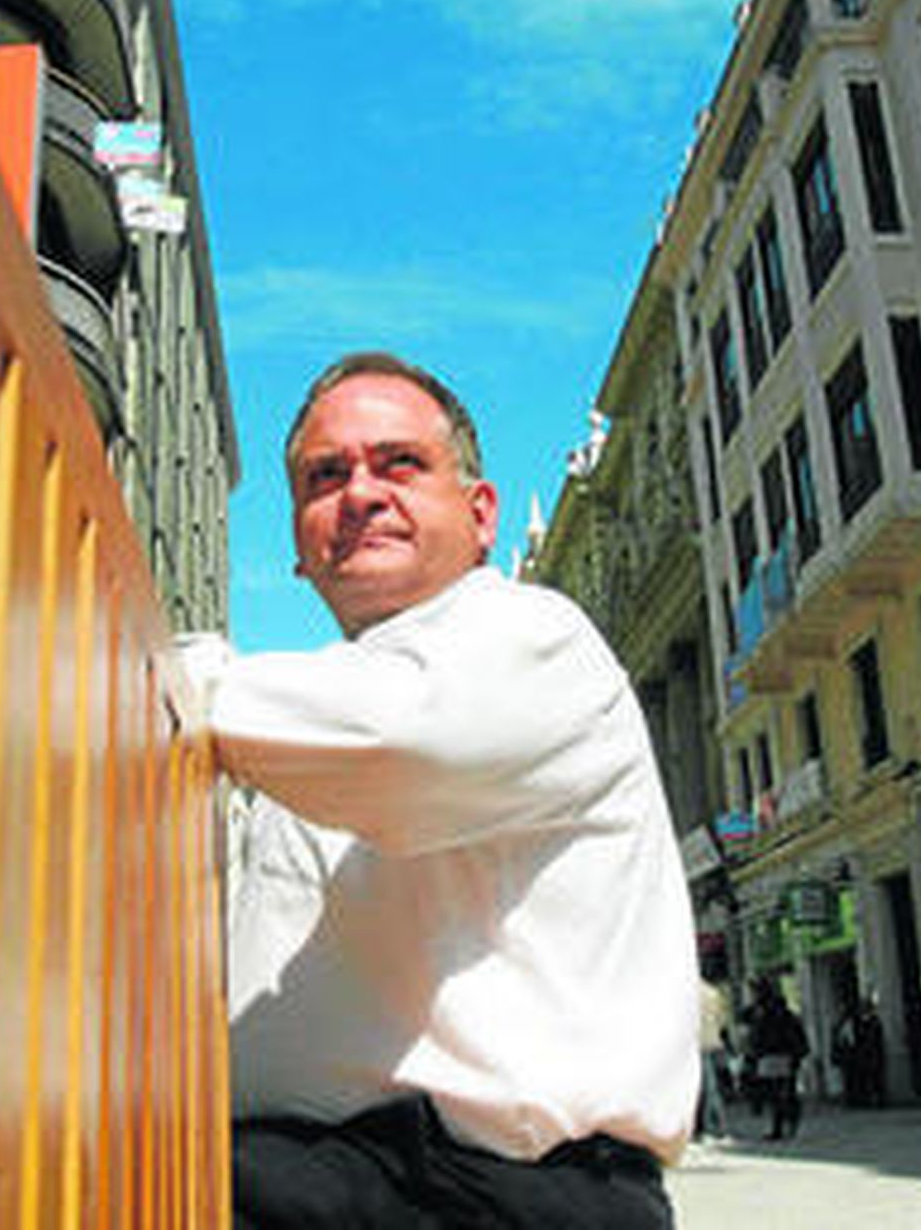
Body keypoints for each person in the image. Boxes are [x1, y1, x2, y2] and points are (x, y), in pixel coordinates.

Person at [179, 352, 699, 1228]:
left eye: (400, 463)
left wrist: (159, 676)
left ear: (482, 512)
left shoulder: (534, 639)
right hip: (302, 1179)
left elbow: (399, 742)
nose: (361, 493)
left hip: (483, 1194)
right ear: (300, 544)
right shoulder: (300, 727)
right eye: (325, 475)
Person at [744, 979, 809, 1140]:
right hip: (786, 1056)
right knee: (787, 1092)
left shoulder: (764, 1013)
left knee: (775, 1094)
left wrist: (754, 1054)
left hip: (772, 1057)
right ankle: (790, 1124)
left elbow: (757, 1034)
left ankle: (780, 1127)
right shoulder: (785, 1014)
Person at [695, 974, 733, 1142]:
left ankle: (710, 1128)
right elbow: (722, 1020)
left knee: (706, 1089)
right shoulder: (713, 993)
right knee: (714, 1087)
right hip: (714, 1043)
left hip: (698, 1044)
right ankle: (719, 1127)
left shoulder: (689, 994)